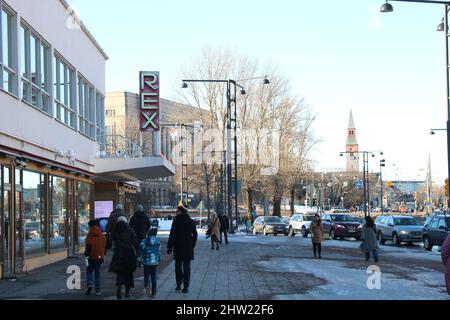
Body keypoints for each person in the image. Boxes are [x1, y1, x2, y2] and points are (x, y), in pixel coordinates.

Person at [167, 203, 198, 294]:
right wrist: (192, 244)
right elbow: (195, 234)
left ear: (181, 211)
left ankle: (178, 284)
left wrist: (169, 247)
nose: (176, 212)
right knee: (187, 267)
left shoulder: (176, 221)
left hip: (178, 247)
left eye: (177, 211)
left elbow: (172, 235)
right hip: (188, 247)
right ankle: (186, 287)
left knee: (178, 266)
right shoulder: (191, 221)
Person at [109, 216, 139, 299]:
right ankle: (127, 292)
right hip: (129, 254)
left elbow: (109, 241)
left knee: (120, 273)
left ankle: (119, 286)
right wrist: (138, 252)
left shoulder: (115, 230)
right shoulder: (130, 230)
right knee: (129, 273)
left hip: (118, 254)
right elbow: (135, 243)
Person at [85, 219, 106, 296]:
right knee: (97, 273)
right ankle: (98, 290)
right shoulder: (102, 235)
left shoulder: (89, 235)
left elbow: (88, 246)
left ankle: (90, 284)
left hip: (91, 256)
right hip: (100, 256)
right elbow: (104, 246)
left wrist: (86, 255)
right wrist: (103, 255)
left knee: (89, 271)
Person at [138, 227, 161, 297]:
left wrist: (139, 258)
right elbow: (159, 251)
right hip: (155, 261)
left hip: (147, 262)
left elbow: (140, 249)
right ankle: (154, 293)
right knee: (153, 276)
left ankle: (147, 285)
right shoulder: (158, 241)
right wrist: (159, 259)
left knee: (146, 276)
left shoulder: (144, 241)